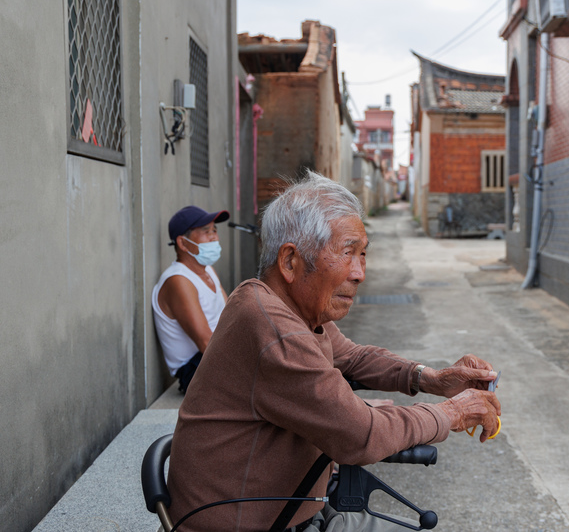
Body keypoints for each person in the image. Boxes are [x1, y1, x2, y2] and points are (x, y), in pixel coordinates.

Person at [166, 172, 502, 532]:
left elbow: (353, 356)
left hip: (286, 510)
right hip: (249, 522)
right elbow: (361, 435)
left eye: (363, 254)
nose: (359, 273)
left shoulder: (286, 306)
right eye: (347, 253)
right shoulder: (271, 325)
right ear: (291, 262)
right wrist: (451, 413)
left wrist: (431, 378)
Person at [152, 205, 230, 392]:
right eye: (206, 231)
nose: (214, 237)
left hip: (217, 354)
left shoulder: (207, 270)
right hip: (196, 368)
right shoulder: (178, 280)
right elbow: (205, 343)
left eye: (214, 230)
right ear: (183, 243)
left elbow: (230, 316)